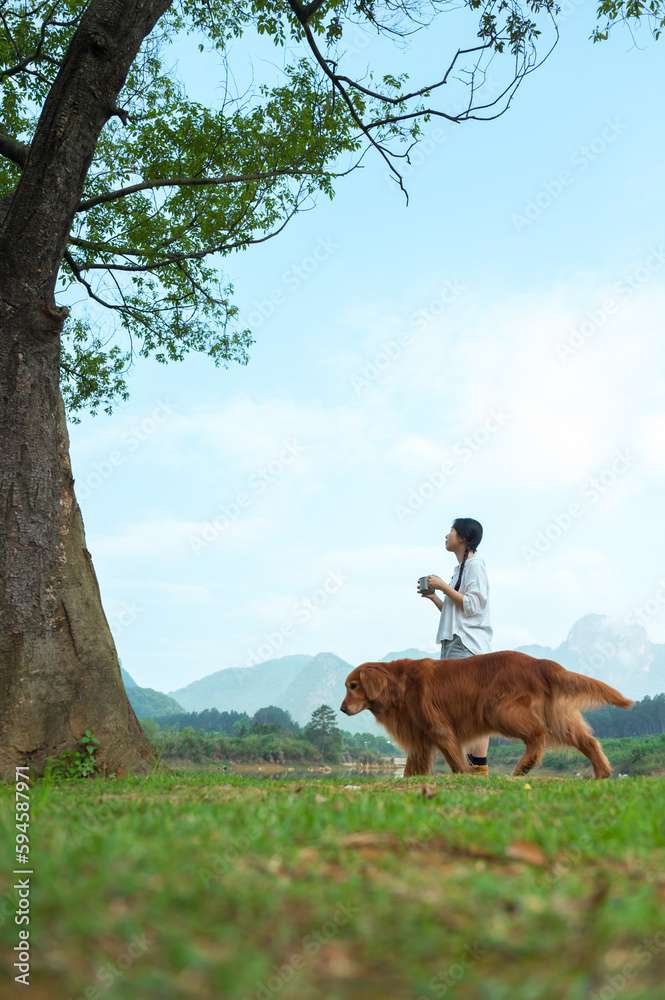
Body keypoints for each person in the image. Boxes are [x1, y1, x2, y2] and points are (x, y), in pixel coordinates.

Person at [419, 517, 493, 776]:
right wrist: (434, 597)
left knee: (470, 707)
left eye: (451, 531)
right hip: (453, 641)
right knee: (457, 707)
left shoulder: (475, 567)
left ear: (463, 538)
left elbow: (474, 605)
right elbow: (454, 612)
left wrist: (442, 586)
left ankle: (477, 767)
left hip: (467, 644)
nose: (446, 535)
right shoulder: (459, 570)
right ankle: (466, 767)